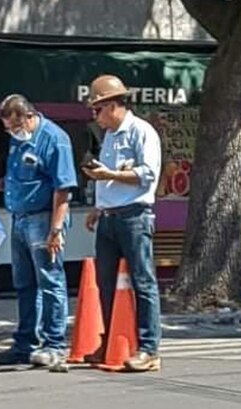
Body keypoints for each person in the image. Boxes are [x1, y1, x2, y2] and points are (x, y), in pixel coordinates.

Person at [0, 94, 78, 367]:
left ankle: (54, 343)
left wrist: (56, 229)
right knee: (24, 283)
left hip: (44, 219)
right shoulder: (19, 140)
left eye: (14, 126)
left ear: (28, 116)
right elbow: (16, 177)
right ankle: (24, 342)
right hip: (19, 218)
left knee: (49, 281)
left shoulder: (54, 139)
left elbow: (63, 188)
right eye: (7, 128)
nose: (12, 133)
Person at [82, 75, 163, 372]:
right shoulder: (110, 138)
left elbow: (147, 174)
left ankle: (149, 347)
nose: (95, 116)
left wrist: (110, 176)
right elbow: (107, 178)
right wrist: (98, 207)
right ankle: (112, 339)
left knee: (143, 281)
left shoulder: (142, 132)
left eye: (98, 110)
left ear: (114, 106)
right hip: (110, 216)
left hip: (134, 216)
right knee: (106, 283)